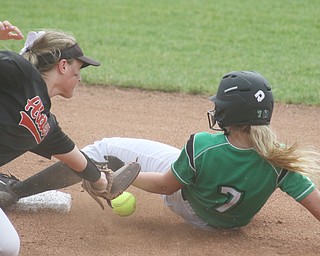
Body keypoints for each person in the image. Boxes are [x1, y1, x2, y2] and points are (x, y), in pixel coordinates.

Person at [81, 71, 320, 229]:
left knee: (107, 147)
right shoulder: (279, 158)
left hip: (189, 209)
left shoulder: (203, 146)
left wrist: (123, 176)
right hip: (233, 224)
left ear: (230, 112)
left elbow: (166, 186)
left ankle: (90, 166)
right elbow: (316, 206)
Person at [0, 20, 139, 256]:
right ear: (63, 65)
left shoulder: (45, 123)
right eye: (79, 68)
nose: (80, 77)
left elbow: (76, 159)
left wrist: (101, 183)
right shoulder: (19, 70)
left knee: (8, 246)